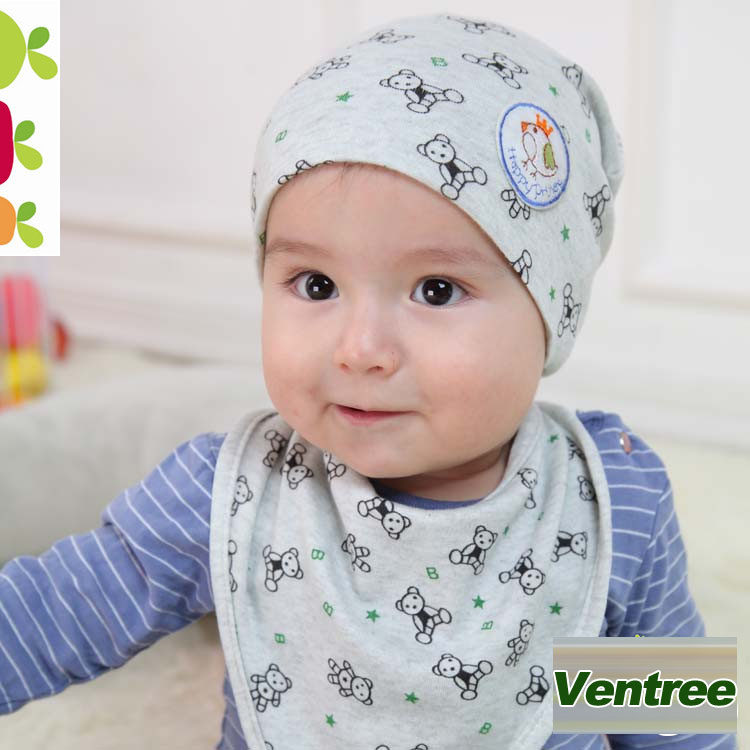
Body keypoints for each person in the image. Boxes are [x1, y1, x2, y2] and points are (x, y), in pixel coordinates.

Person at [0, 12, 736, 750]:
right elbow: (53, 614)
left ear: (550, 315)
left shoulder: (607, 501)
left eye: (436, 291)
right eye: (316, 284)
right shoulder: (228, 495)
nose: (360, 350)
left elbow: (666, 716)